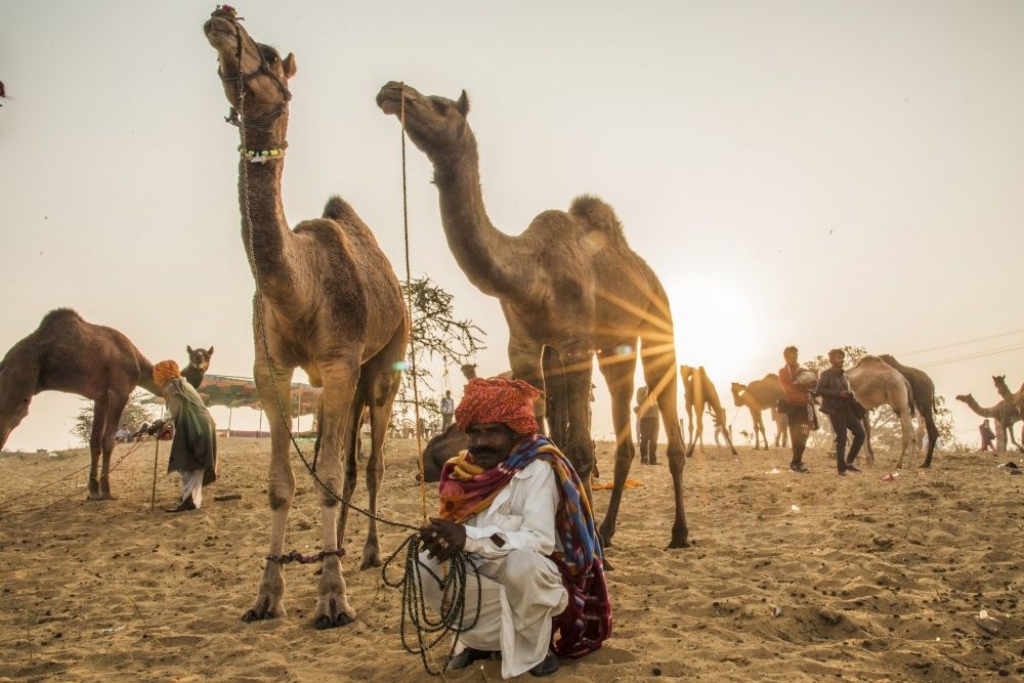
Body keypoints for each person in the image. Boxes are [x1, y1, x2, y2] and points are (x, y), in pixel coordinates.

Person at [418, 377, 611, 679]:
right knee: (426, 564)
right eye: (476, 433)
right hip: (482, 572)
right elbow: (456, 531)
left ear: (515, 433)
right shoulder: (462, 473)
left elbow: (539, 541)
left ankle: (537, 648)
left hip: (535, 575)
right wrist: (441, 536)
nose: (481, 442)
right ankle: (476, 642)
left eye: (493, 432)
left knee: (524, 564)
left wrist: (467, 537)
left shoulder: (537, 469)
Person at [153, 360, 218, 512]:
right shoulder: (185, 384)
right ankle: (190, 498)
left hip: (194, 425)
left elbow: (175, 407)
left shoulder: (172, 386)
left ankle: (189, 501)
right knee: (194, 463)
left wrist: (161, 422)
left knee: (188, 463)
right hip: (205, 423)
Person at [815, 348, 865, 476]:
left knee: (860, 433)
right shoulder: (826, 374)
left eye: (842, 358)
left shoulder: (845, 375)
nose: (841, 360)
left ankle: (849, 462)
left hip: (847, 409)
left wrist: (850, 395)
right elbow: (819, 390)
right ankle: (841, 469)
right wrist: (838, 394)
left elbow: (846, 391)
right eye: (838, 358)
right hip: (835, 410)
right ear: (832, 360)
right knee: (842, 439)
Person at [778, 346, 817, 473]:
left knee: (804, 434)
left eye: (795, 354)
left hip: (806, 407)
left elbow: (812, 388)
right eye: (791, 355)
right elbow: (786, 389)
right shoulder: (783, 372)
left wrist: (813, 380)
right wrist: (799, 384)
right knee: (795, 435)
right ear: (785, 357)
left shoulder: (804, 370)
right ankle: (796, 462)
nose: (794, 357)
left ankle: (797, 461)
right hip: (792, 407)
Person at [634, 385, 660, 465]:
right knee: (644, 439)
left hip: (655, 417)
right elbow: (639, 401)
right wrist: (646, 394)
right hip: (645, 418)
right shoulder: (641, 389)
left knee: (654, 440)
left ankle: (653, 459)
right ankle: (644, 458)